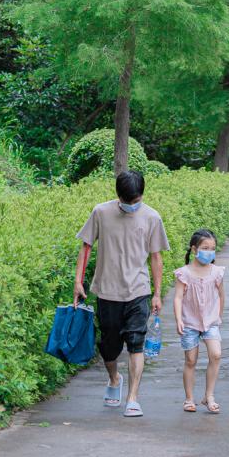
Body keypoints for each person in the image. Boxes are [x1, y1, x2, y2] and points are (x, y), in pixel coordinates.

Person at [74, 170, 169, 418]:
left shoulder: (151, 217)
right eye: (127, 202)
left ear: (142, 196)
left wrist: (157, 293)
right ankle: (115, 379)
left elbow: (156, 257)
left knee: (136, 343)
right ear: (118, 196)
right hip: (107, 290)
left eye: (135, 201)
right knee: (109, 347)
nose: (131, 206)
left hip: (138, 291)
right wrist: (78, 281)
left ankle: (133, 398)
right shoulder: (101, 212)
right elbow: (86, 245)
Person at [173, 228, 225, 414]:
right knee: (191, 360)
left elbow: (221, 295)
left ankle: (209, 396)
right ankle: (189, 399)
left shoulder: (217, 272)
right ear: (194, 249)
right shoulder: (184, 273)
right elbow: (178, 298)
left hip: (210, 321)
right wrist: (179, 319)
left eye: (212, 248)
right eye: (205, 248)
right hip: (189, 322)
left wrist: (219, 315)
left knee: (216, 354)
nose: (209, 252)